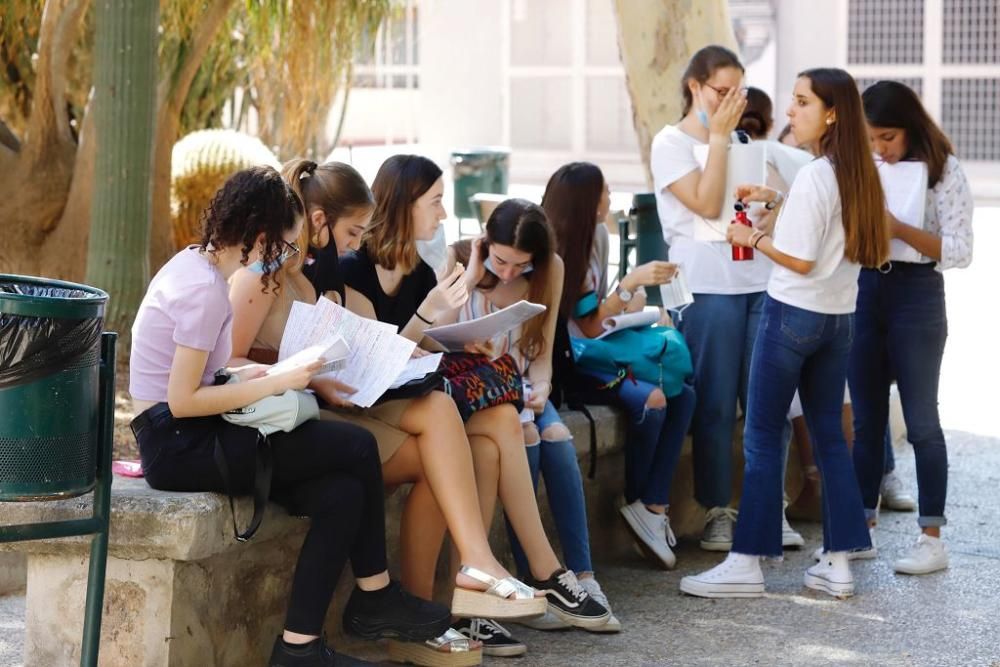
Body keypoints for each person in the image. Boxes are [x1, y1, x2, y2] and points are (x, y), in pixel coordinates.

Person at [227, 159, 556, 664]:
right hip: (302, 416)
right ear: (317, 222)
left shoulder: (312, 279)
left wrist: (411, 347)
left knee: (455, 423)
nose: (360, 241)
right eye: (354, 230)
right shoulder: (271, 277)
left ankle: (445, 593)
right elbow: (227, 363)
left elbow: (366, 344)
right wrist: (309, 370)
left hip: (339, 401)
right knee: (449, 440)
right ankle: (448, 594)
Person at [128, 166, 452, 667]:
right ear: (260, 237)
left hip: (191, 433)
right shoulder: (204, 290)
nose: (282, 259)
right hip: (177, 444)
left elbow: (206, 382)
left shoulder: (197, 267)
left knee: (341, 493)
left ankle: (298, 648)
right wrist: (281, 379)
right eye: (281, 246)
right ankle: (373, 596)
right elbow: (183, 401)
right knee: (358, 447)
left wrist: (286, 372)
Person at [335, 154, 610, 651]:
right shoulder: (352, 271)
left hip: (409, 407)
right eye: (436, 201)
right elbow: (370, 369)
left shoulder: (419, 272)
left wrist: (461, 342)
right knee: (450, 421)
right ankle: (483, 576)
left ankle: (456, 602)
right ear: (404, 203)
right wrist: (427, 316)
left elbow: (423, 349)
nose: (443, 214)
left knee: (496, 429)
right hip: (367, 411)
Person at [680, 68, 890, 599]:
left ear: (833, 112)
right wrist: (778, 202)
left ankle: (746, 562)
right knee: (829, 441)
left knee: (761, 436)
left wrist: (748, 234)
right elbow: (827, 233)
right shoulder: (858, 172)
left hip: (791, 316)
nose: (791, 111)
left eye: (802, 102)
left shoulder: (822, 173)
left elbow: (798, 257)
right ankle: (839, 562)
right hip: (837, 320)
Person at [441, 198, 621, 634]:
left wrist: (540, 387)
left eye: (519, 264)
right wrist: (472, 272)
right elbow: (435, 335)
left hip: (521, 387)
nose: (507, 272)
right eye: (501, 260)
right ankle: (540, 575)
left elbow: (542, 350)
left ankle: (579, 576)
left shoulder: (550, 268)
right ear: (485, 240)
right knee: (525, 435)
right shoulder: (458, 257)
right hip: (475, 389)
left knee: (555, 435)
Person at [650, 45, 803, 551]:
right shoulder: (670, 142)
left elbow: (775, 200)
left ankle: (769, 505)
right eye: (721, 91)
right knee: (715, 405)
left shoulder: (743, 140)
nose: (731, 102)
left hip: (759, 282)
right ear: (694, 86)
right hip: (706, 286)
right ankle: (717, 509)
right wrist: (717, 137)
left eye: (738, 92)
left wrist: (771, 204)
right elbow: (708, 201)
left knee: (768, 401)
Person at [544, 161, 697, 571]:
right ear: (586, 202)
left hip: (598, 349)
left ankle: (653, 504)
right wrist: (630, 283)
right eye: (605, 190)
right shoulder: (560, 251)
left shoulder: (591, 240)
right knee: (653, 400)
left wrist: (628, 303)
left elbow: (597, 314)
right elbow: (590, 326)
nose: (611, 197)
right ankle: (639, 498)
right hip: (575, 362)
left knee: (685, 393)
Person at [849, 80, 974, 575]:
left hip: (918, 293)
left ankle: (931, 538)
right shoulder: (863, 166)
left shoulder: (945, 170)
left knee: (922, 421)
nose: (880, 148)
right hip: (864, 288)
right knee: (866, 421)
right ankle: (860, 530)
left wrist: (897, 227)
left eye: (888, 138)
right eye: (872, 138)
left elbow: (961, 250)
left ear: (911, 128)